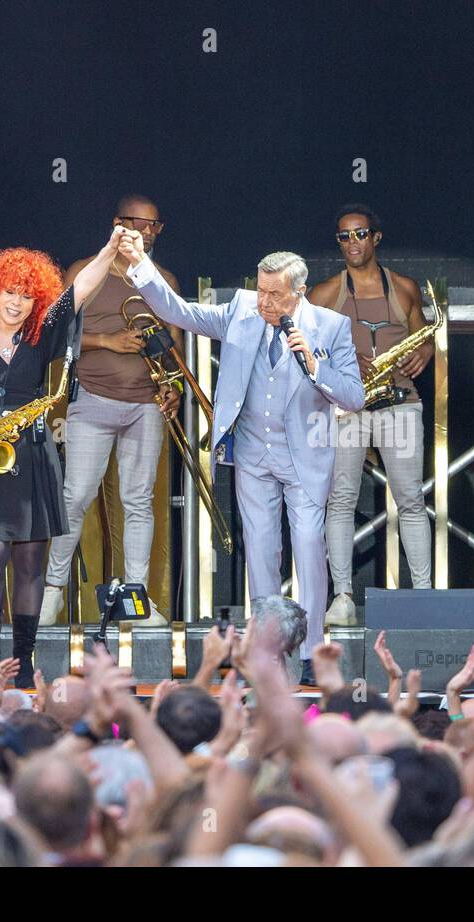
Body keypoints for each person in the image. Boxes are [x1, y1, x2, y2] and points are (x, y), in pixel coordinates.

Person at [116, 232, 364, 683]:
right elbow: (180, 312)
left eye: (275, 294)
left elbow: (353, 395)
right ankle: (268, 652)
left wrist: (314, 364)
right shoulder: (239, 311)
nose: (264, 301)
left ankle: (310, 653)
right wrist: (140, 267)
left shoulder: (329, 326)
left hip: (303, 456)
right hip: (252, 453)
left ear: (299, 291)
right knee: (261, 552)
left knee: (308, 546)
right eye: (261, 290)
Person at [0, 228, 126, 686]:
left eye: (24, 295)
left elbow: (78, 291)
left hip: (34, 455)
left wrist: (108, 251)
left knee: (28, 564)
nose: (15, 303)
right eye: (8, 293)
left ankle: (21, 664)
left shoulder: (42, 336)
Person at [39, 195, 180, 627]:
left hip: (144, 405)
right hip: (94, 400)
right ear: (118, 223)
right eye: (142, 224)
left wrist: (172, 386)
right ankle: (52, 594)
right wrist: (107, 342)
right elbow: (54, 336)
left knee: (137, 502)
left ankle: (134, 601)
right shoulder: (85, 271)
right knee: (76, 496)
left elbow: (172, 348)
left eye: (157, 226)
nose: (150, 232)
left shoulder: (164, 278)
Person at [307, 204, 434, 627]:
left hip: (398, 403)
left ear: (376, 238)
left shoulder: (403, 287)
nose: (351, 243)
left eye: (359, 234)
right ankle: (342, 597)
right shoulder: (326, 292)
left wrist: (426, 351)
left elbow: (423, 337)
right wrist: (341, 359)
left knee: (411, 500)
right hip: (347, 408)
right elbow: (300, 344)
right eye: (343, 236)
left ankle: (423, 596)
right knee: (340, 501)